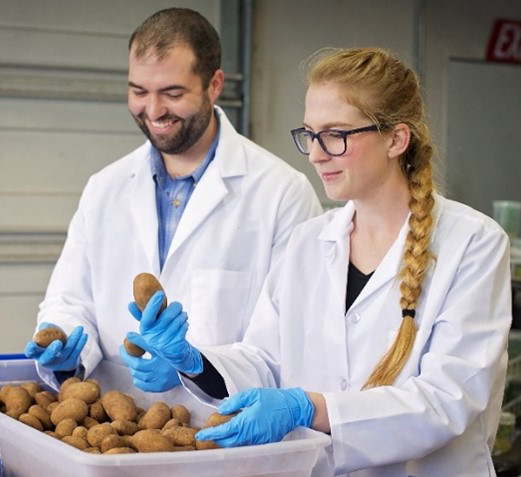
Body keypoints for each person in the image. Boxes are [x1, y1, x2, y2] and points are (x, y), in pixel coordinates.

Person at [124, 47, 512, 476]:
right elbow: (264, 360)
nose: (315, 154)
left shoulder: (473, 243)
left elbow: (450, 397)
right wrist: (197, 364)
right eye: (309, 134)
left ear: (396, 139)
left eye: (335, 135)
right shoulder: (307, 242)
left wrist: (313, 409)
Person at [23, 7, 322, 391]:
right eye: (138, 91)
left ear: (214, 85)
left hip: (224, 431)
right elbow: (70, 300)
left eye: (172, 93)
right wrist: (65, 346)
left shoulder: (282, 194)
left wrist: (201, 370)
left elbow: (294, 339)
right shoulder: (105, 188)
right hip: (116, 431)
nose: (153, 110)